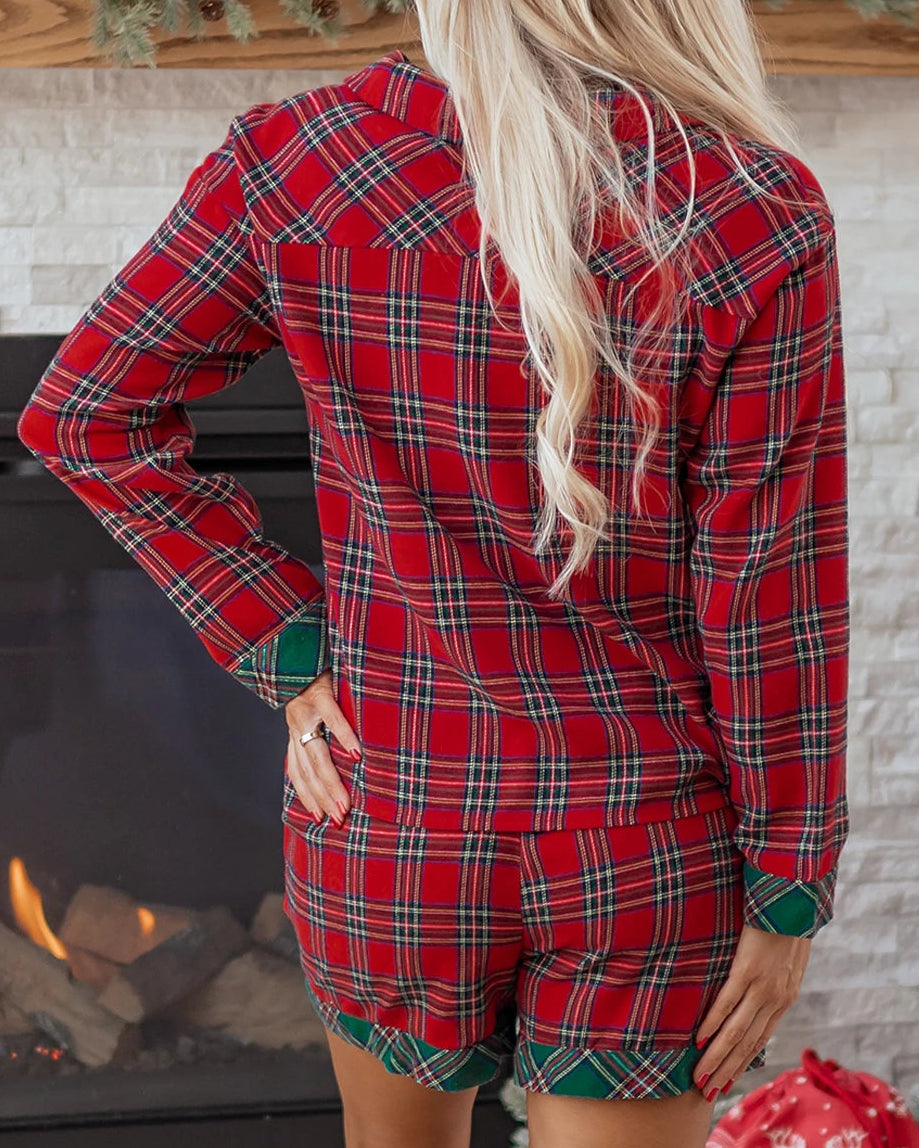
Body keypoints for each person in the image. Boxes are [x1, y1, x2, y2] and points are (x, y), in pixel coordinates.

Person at [16, 0, 849, 1143]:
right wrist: (791, 878)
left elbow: (86, 413)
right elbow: (772, 595)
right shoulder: (756, 206)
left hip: (392, 809)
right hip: (643, 833)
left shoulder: (296, 157)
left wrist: (288, 646)